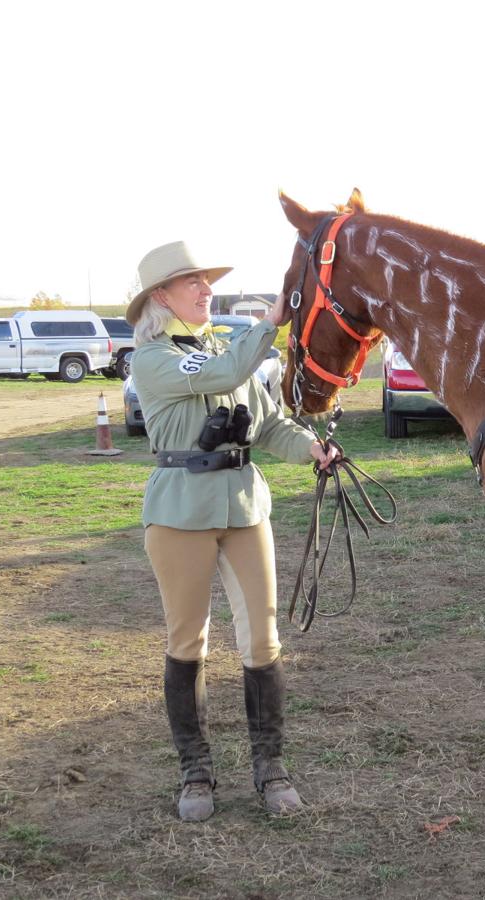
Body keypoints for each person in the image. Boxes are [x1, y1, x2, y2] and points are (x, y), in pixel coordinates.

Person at [126, 241, 338, 822]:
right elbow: (223, 372)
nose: (205, 289)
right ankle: (195, 770)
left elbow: (269, 424)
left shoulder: (225, 349)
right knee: (186, 641)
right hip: (180, 512)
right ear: (161, 297)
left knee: (263, 640)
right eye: (190, 281)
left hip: (244, 508)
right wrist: (270, 322)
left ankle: (270, 767)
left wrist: (311, 448)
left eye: (206, 280)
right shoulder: (153, 358)